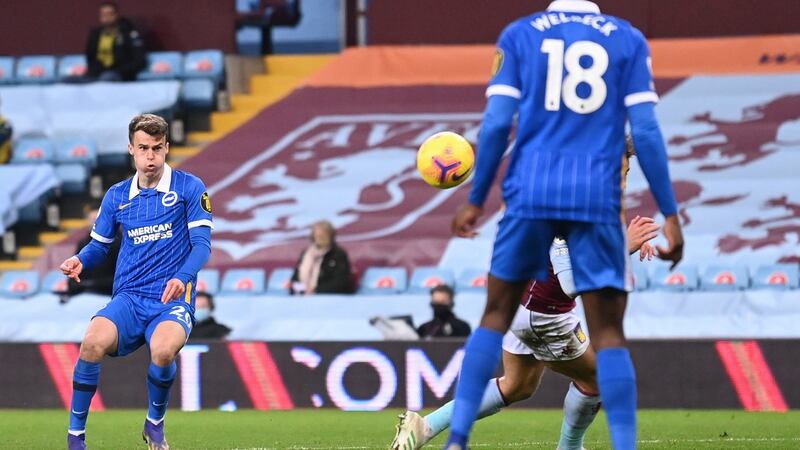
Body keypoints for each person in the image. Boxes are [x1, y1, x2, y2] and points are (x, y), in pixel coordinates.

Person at [445, 2, 684, 449]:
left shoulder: (519, 34)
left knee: (493, 318)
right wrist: (671, 213)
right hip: (593, 195)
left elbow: (498, 122)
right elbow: (646, 131)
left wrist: (476, 198)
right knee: (609, 333)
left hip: (531, 188)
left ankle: (456, 440)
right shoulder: (626, 37)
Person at [392, 215, 660, 450]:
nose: (622, 177)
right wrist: (621, 249)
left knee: (517, 386)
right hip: (546, 313)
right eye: (623, 169)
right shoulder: (569, 206)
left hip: (521, 298)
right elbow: (570, 283)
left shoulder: (572, 195)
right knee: (596, 379)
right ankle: (570, 447)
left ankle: (424, 426)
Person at [59, 114, 213, 450]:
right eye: (143, 148)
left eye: (157, 148)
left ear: (167, 148)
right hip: (129, 298)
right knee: (92, 342)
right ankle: (75, 439)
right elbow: (100, 245)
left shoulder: (189, 188)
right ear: (131, 149)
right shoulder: (117, 196)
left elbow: (202, 245)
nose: (151, 156)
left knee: (163, 350)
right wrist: (80, 260)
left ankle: (154, 425)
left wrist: (183, 277)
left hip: (171, 298)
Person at [62, 207, 121, 298]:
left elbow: (119, 277)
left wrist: (92, 285)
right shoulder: (83, 243)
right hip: (84, 295)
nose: (95, 222)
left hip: (108, 295)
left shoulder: (118, 242)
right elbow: (74, 276)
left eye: (97, 219)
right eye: (92, 219)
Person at [85, 1, 146, 82]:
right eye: (103, 15)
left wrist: (121, 70)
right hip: (97, 72)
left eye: (110, 14)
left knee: (106, 78)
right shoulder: (95, 34)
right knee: (69, 81)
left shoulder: (128, 33)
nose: (106, 17)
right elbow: (90, 57)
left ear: (117, 14)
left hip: (120, 74)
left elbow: (139, 60)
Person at [290, 220, 354, 295]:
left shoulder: (338, 254)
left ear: (331, 235)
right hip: (305, 296)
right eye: (317, 234)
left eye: (323, 234)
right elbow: (295, 279)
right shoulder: (306, 253)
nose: (320, 236)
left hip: (331, 297)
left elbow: (341, 282)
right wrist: (295, 288)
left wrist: (315, 290)